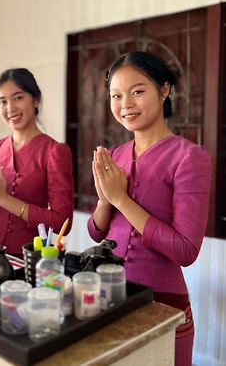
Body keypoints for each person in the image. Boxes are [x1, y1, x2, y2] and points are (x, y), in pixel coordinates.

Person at [88, 51, 212, 366]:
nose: (125, 103)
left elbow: (185, 250)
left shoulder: (189, 157)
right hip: (110, 301)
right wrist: (105, 200)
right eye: (116, 95)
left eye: (138, 91)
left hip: (163, 308)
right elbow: (96, 230)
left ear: (164, 90)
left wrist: (120, 199)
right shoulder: (114, 154)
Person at [0, 68, 74, 256]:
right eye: (2, 102)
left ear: (36, 100)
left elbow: (61, 221)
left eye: (18, 98)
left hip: (26, 259)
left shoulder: (54, 151)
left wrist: (3, 199)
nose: (10, 108)